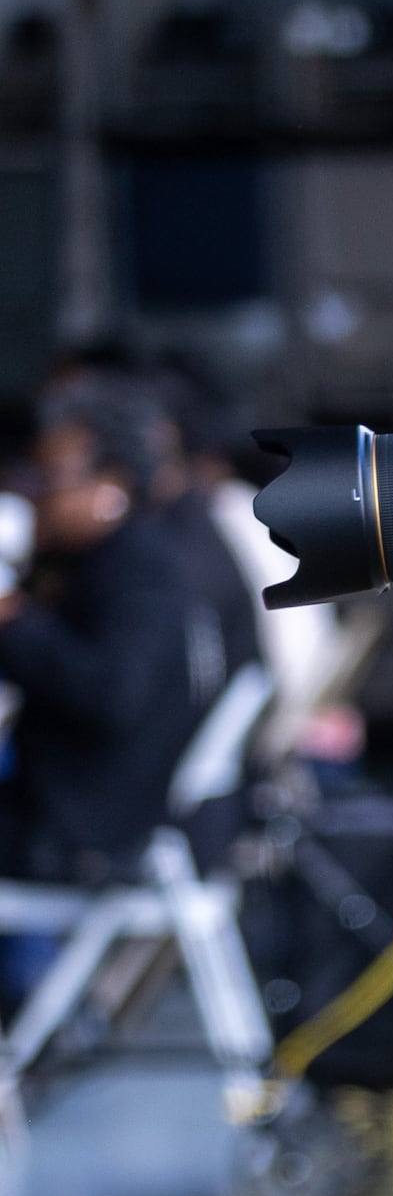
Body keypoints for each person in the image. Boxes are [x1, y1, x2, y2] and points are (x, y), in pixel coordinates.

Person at [0, 374, 253, 892]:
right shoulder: (109, 558)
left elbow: (112, 693)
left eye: (51, 476)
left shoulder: (138, 569)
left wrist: (15, 621)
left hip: (88, 827)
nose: (34, 492)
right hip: (72, 809)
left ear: (110, 488)